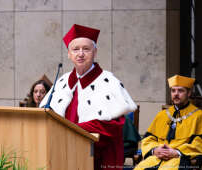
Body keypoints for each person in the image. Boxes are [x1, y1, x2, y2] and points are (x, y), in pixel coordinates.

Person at [40, 24, 137, 170]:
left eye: (86, 49)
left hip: (98, 157)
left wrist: (70, 130)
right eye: (75, 49)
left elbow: (113, 126)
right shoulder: (61, 82)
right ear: (69, 54)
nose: (80, 54)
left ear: (95, 52)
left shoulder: (109, 81)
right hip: (63, 154)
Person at [134, 75, 202, 170]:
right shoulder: (162, 115)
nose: (176, 94)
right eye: (173, 90)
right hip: (157, 157)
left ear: (189, 93)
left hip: (180, 158)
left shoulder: (199, 115)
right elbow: (148, 138)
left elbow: (199, 143)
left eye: (180, 91)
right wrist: (155, 150)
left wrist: (177, 152)